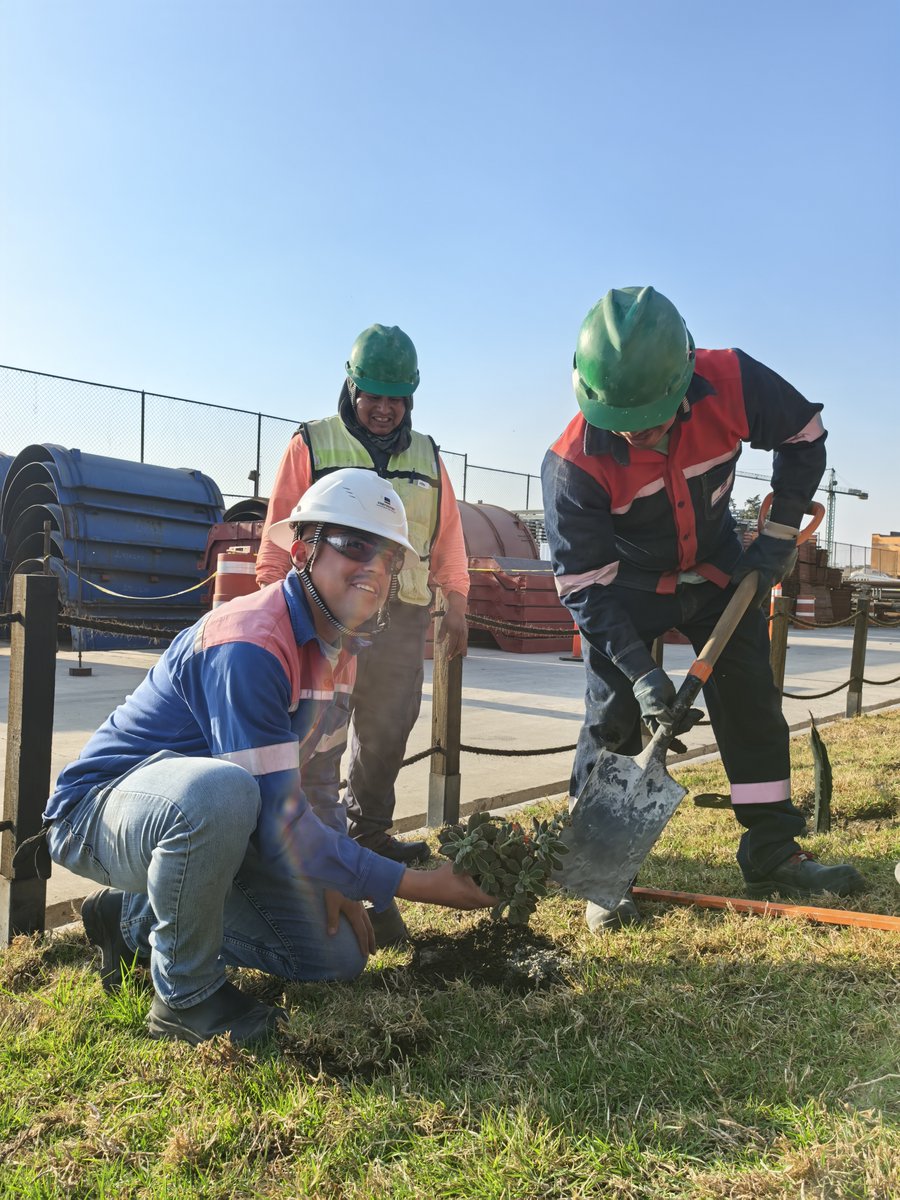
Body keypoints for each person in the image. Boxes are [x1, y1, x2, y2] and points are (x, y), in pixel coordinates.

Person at [37, 469, 493, 1044]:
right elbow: (276, 826)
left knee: (339, 956)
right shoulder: (250, 640)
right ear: (303, 550)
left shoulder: (339, 643)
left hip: (214, 823)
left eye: (389, 558)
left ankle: (130, 917)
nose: (375, 567)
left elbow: (321, 783)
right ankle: (185, 996)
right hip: (101, 813)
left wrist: (341, 880)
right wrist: (424, 885)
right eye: (355, 545)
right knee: (222, 793)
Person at [541, 285, 866, 932]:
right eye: (623, 420)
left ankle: (771, 848)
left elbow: (805, 436)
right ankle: (604, 876)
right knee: (614, 718)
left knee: (749, 704)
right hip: (626, 586)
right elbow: (584, 590)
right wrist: (641, 675)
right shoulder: (572, 465)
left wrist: (776, 535)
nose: (637, 431)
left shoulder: (732, 378)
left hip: (720, 569)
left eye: (654, 417)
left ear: (685, 375)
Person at [256, 323, 469, 866]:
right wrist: (271, 614)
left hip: (402, 621)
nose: (383, 409)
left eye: (395, 399)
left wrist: (458, 604)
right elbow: (278, 534)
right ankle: (299, 839)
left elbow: (446, 538)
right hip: (327, 616)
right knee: (314, 730)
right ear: (351, 388)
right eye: (373, 395)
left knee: (388, 729)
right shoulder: (312, 441)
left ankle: (368, 835)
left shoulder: (427, 456)